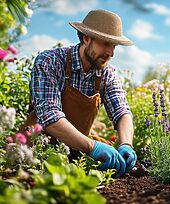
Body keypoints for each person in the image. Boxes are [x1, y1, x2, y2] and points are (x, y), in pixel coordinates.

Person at [23, 9, 137, 176]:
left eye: (114, 45)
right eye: (105, 43)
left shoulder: (106, 73)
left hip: (77, 150)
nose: (111, 52)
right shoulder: (50, 61)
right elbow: (49, 116)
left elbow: (122, 112)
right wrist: (92, 147)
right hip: (37, 149)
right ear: (86, 38)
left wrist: (126, 144)